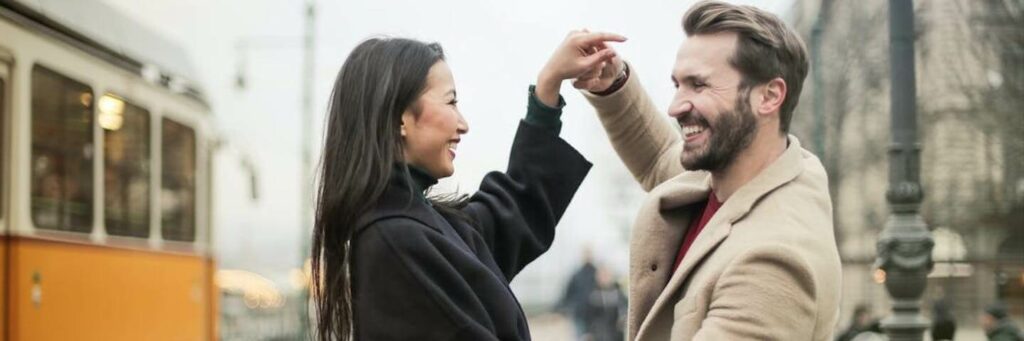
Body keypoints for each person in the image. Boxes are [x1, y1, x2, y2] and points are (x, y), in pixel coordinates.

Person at [540, 1, 842, 339]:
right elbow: (660, 159)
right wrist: (613, 83)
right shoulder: (735, 177)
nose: (675, 106)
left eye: (699, 85)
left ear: (769, 96)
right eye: (677, 85)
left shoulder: (773, 260)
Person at [310, 35, 622, 340]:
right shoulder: (397, 241)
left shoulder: (415, 226)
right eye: (451, 101)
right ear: (400, 119)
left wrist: (548, 87)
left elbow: (511, 211)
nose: (463, 124)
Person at [556, 246, 598, 340]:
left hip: (594, 315)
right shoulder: (576, 275)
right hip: (579, 313)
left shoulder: (597, 274)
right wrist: (559, 307)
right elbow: (567, 293)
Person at [582, 264, 627, 341]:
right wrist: (587, 332)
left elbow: (624, 309)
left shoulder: (618, 293)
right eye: (602, 276)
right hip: (598, 335)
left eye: (607, 275)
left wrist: (623, 318)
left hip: (615, 335)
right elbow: (587, 316)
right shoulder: (593, 295)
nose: (605, 278)